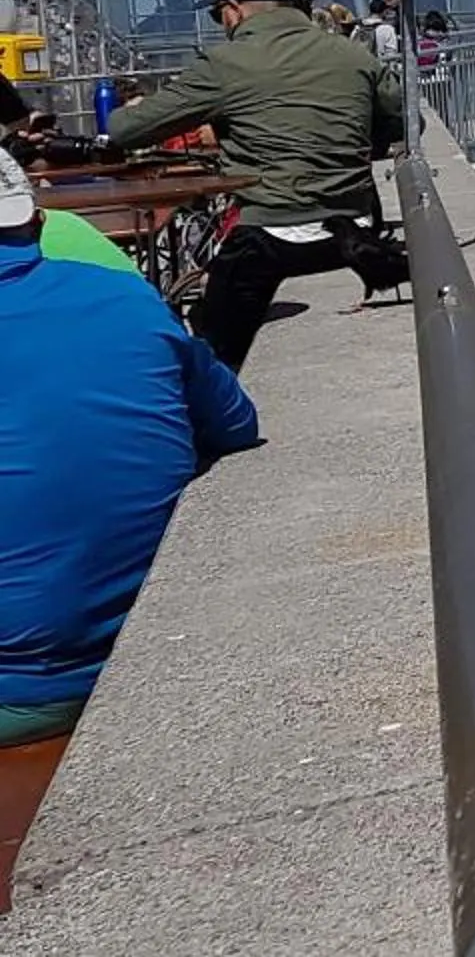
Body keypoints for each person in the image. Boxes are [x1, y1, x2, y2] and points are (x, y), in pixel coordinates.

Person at [0, 151, 262, 875]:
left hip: (21, 691)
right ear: (38, 220)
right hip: (140, 646)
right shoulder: (124, 297)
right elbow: (236, 422)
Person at [103, 0, 407, 370]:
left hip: (271, 229)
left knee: (211, 352)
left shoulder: (226, 63)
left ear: (234, 8)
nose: (219, 24)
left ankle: (216, 420)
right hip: (357, 226)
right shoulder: (352, 54)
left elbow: (125, 130)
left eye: (217, 15)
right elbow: (405, 121)